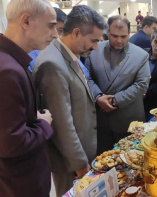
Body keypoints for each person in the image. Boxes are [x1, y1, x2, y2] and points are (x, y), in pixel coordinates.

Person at [33, 5, 104, 196]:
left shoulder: (69, 55)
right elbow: (62, 123)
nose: (96, 47)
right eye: (94, 40)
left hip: (80, 153)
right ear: (76, 33)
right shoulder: (52, 63)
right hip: (69, 162)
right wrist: (80, 164)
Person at [0, 0, 55, 196]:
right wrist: (44, 124)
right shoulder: (6, 70)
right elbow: (12, 142)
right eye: (50, 25)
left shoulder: (11, 61)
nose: (55, 33)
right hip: (20, 185)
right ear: (26, 21)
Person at [86, 16, 150, 154]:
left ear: (129, 34)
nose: (119, 40)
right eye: (114, 36)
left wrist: (115, 101)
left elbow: (141, 85)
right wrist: (98, 97)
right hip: (100, 120)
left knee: (131, 163)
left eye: (124, 36)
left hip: (128, 121)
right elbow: (87, 78)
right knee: (103, 163)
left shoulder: (141, 55)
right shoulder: (94, 50)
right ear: (107, 32)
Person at [28, 7, 67, 72]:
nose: (56, 35)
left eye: (61, 31)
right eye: (50, 27)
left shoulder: (64, 49)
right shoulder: (29, 54)